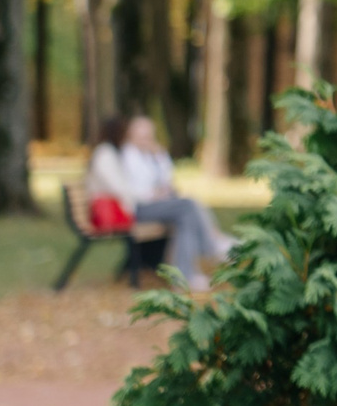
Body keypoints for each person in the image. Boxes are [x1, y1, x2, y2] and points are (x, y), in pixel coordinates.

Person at [85, 114, 235, 292]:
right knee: (188, 205)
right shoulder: (115, 154)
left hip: (141, 205)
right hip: (131, 210)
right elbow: (123, 190)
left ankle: (186, 274)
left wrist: (158, 157)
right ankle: (212, 249)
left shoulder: (141, 153)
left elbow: (165, 179)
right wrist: (152, 194)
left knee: (186, 215)